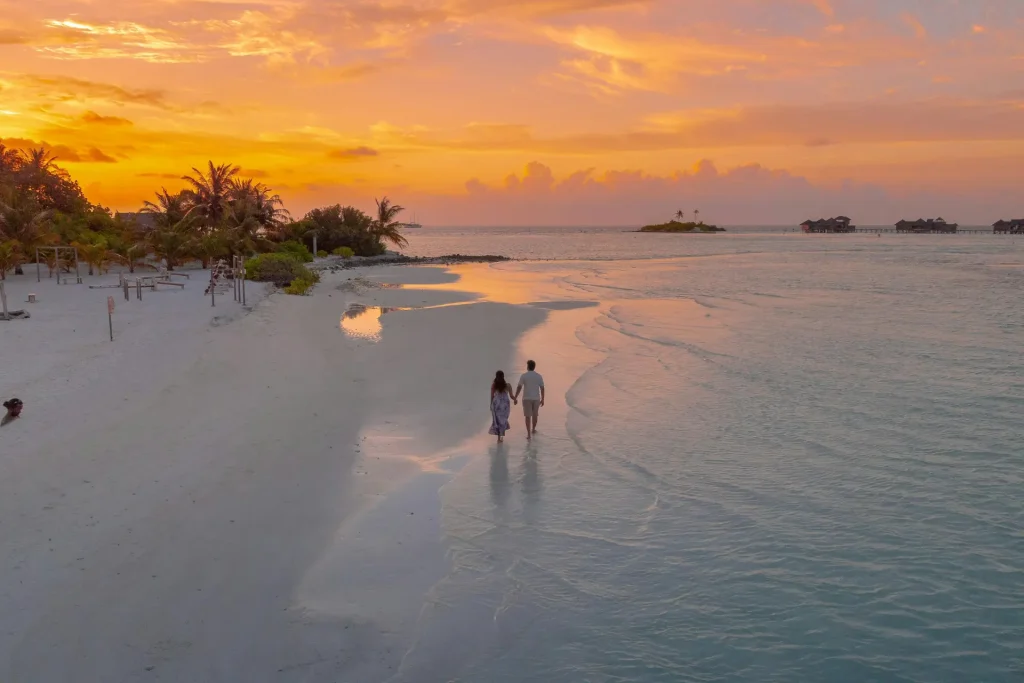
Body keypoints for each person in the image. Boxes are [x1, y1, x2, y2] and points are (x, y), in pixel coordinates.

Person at [514, 360, 545, 439]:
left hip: (526, 398)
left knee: (528, 416)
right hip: (536, 398)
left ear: (528, 366)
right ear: (534, 367)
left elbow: (519, 387)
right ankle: (533, 429)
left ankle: (528, 434)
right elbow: (542, 388)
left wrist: (515, 397)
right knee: (535, 415)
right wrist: (543, 399)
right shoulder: (538, 376)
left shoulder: (524, 376)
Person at [489, 371, 516, 442]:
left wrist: (491, 405)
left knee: (497, 421)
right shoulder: (508, 385)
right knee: (503, 420)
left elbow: (492, 396)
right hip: (505, 405)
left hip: (497, 404)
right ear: (503, 377)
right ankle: (501, 437)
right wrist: (515, 399)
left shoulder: (494, 385)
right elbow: (511, 396)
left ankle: (499, 438)